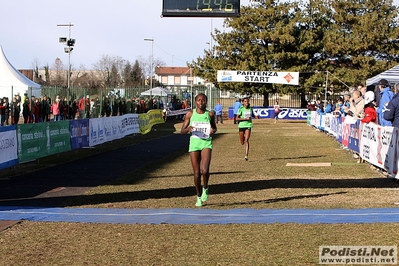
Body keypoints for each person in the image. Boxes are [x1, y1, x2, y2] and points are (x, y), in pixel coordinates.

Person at [180, 93, 217, 207]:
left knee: (204, 170)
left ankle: (205, 187)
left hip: (206, 143)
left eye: (203, 100)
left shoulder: (210, 114)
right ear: (195, 102)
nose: (201, 102)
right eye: (198, 100)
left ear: (206, 101)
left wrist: (212, 131)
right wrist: (188, 129)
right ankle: (198, 196)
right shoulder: (190, 114)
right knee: (196, 173)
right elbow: (182, 130)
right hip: (194, 144)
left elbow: (214, 127)